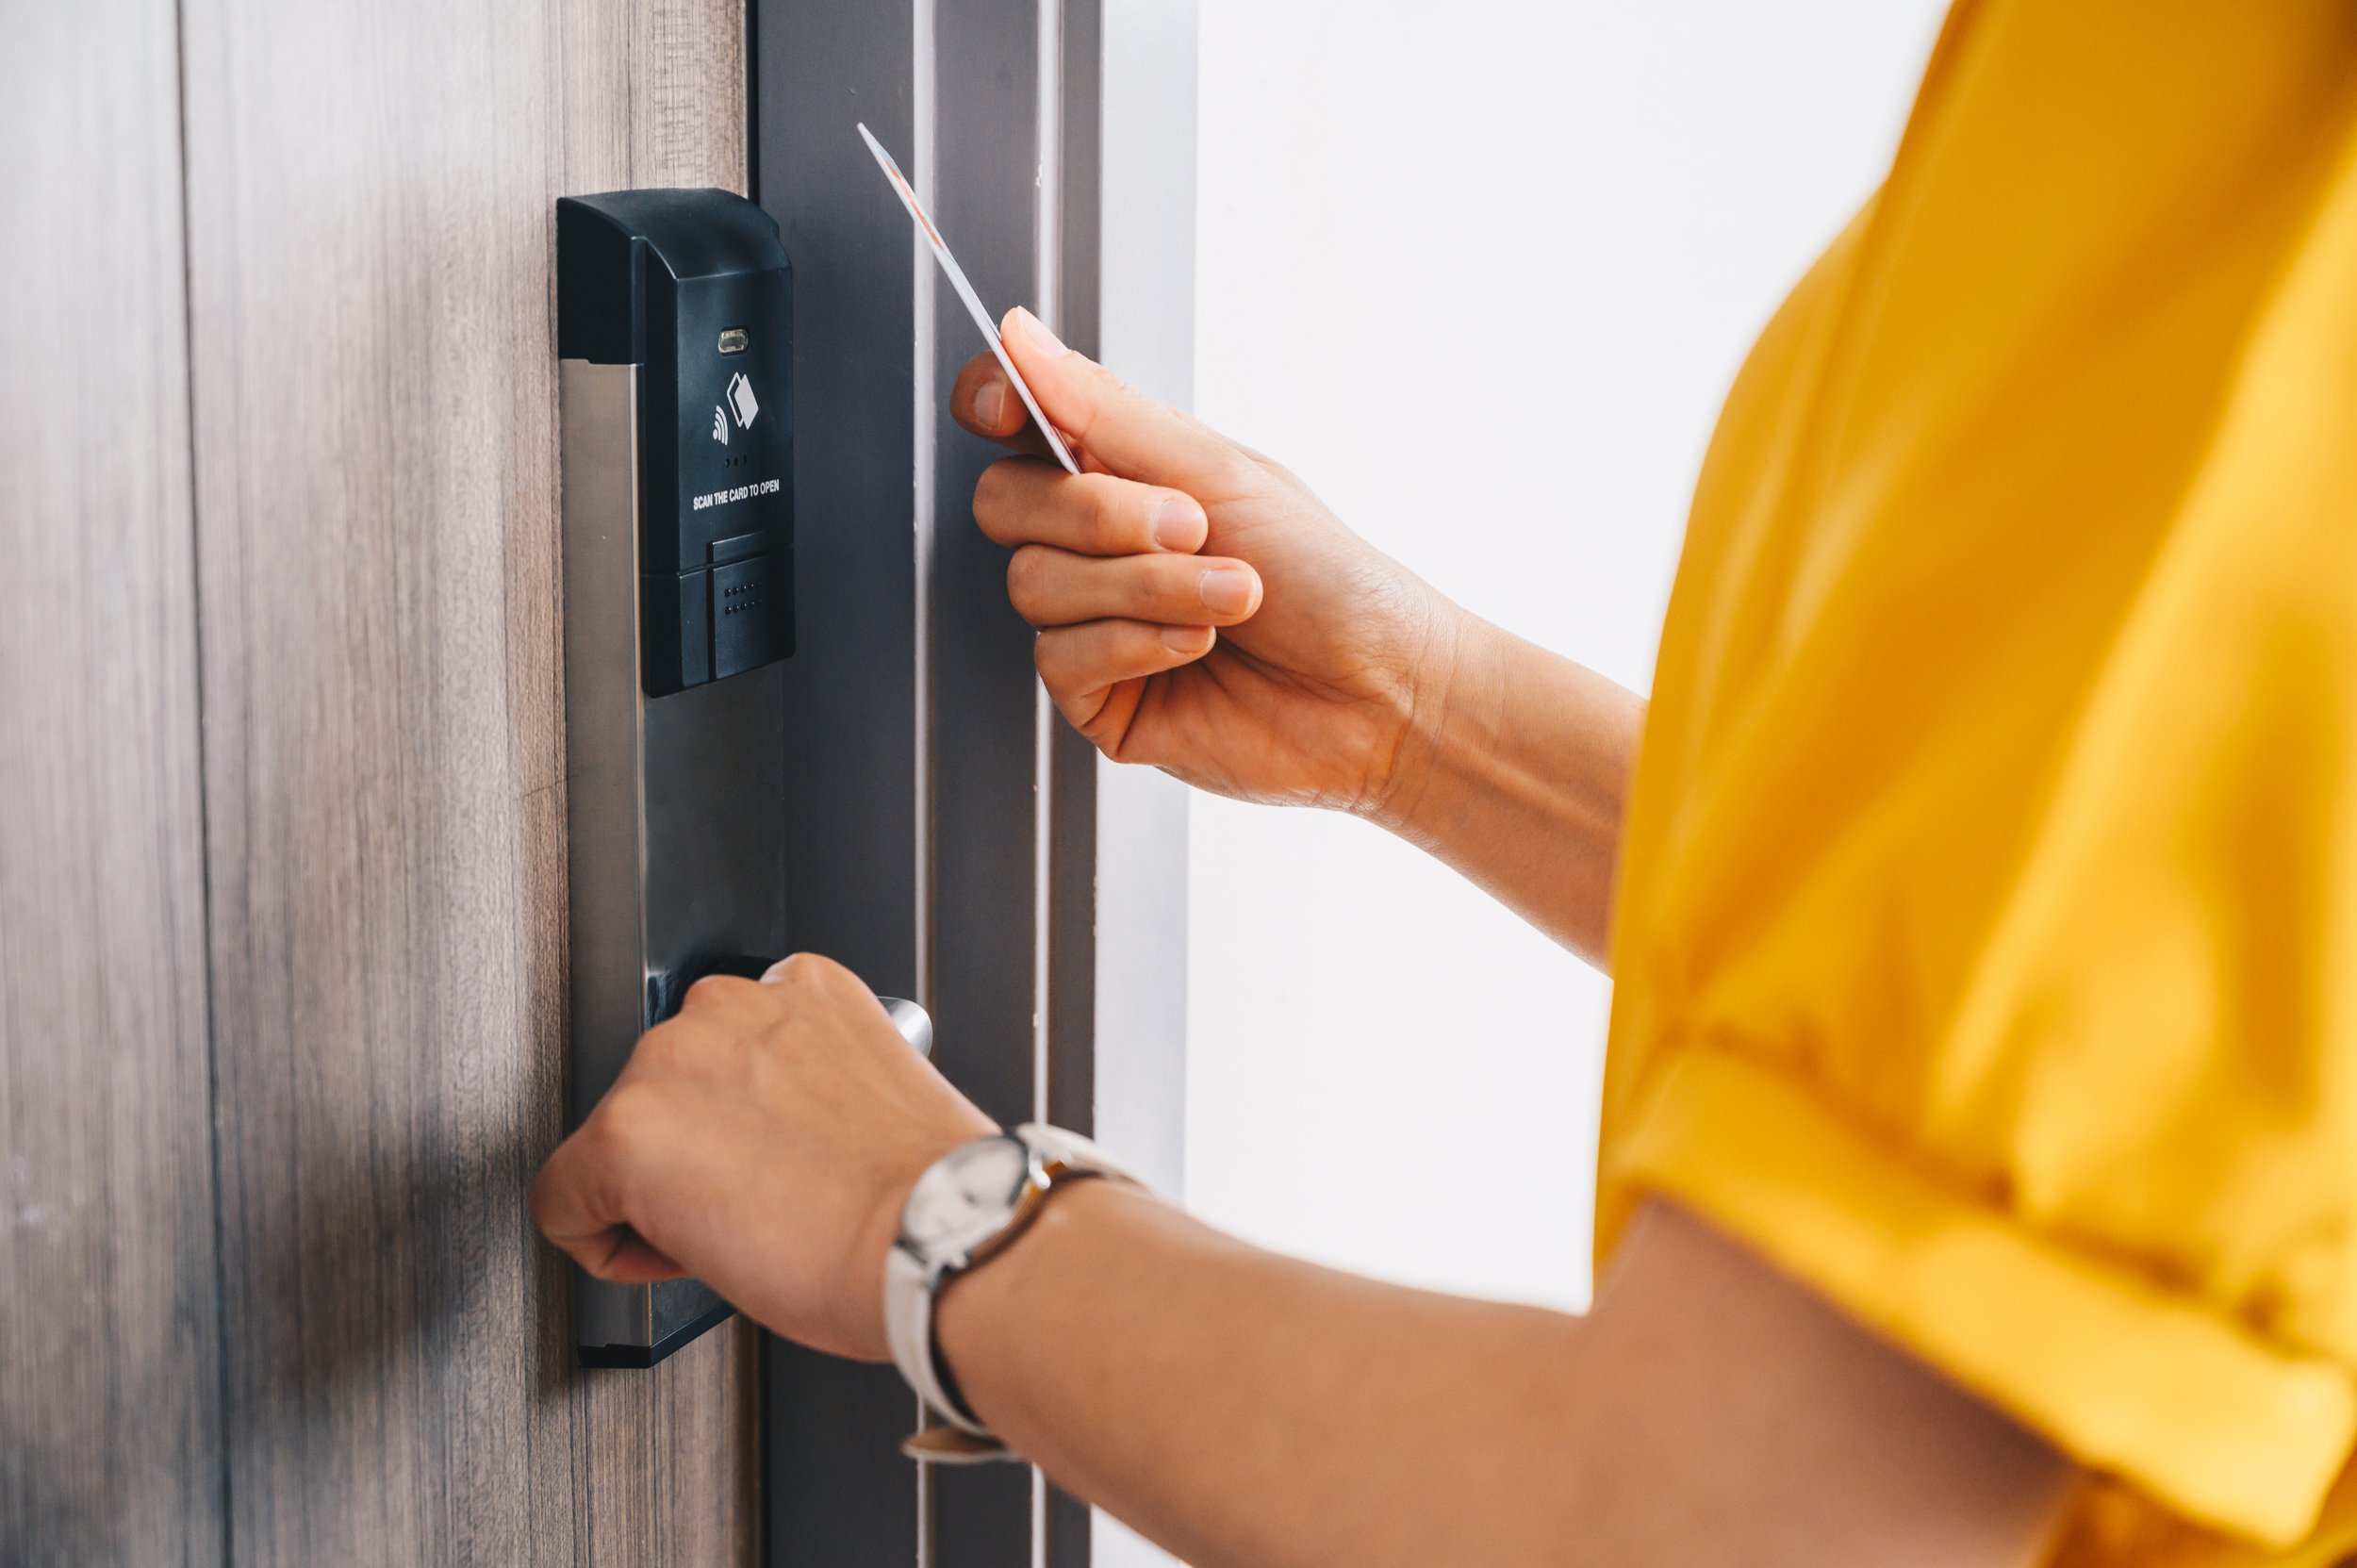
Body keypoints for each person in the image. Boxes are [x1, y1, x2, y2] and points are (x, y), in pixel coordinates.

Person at [532, 6, 2357, 1562]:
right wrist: (1423, 722)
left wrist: (921, 1220)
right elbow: (2135, 1013)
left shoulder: (2249, 145)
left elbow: (1719, 1526)